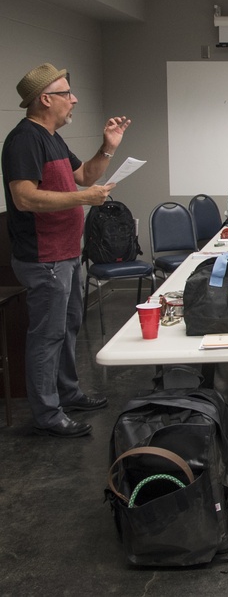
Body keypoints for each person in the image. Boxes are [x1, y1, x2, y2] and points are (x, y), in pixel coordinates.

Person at [1, 63, 128, 437]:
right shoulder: (24, 139)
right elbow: (23, 198)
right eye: (66, 94)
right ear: (45, 99)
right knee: (48, 334)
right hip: (44, 257)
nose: (73, 100)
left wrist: (108, 146)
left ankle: (67, 392)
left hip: (67, 253)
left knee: (69, 326)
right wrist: (82, 198)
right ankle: (47, 413)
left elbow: (85, 176)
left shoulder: (53, 137)